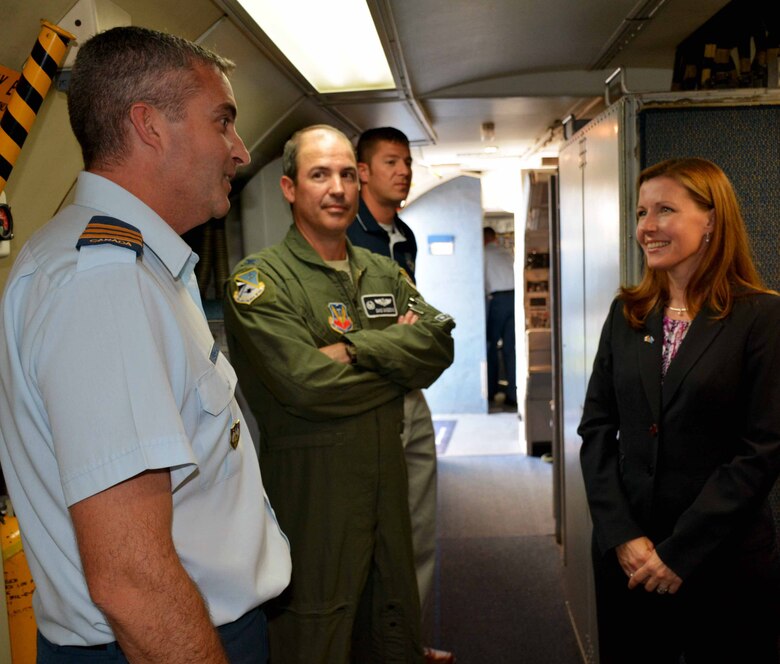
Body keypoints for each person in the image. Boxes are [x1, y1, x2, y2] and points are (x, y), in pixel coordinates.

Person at [0, 26, 291, 664]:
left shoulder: (140, 266)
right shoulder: (101, 288)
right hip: (161, 640)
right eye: (222, 122)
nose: (240, 150)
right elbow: (132, 581)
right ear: (150, 125)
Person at [223, 124, 455, 664]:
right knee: (317, 634)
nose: (338, 188)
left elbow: (438, 344)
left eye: (348, 174)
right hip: (314, 500)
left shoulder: (380, 270)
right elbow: (304, 385)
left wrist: (349, 349)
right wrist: (394, 354)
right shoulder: (259, 281)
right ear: (289, 189)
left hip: (385, 493)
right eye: (319, 174)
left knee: (392, 627)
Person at [578, 158, 780, 664]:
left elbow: (761, 450)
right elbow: (597, 428)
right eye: (642, 211)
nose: (647, 226)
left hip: (722, 557)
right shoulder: (628, 314)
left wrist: (679, 551)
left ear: (711, 220)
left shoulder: (760, 316)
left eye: (665, 209)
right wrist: (620, 534)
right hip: (630, 557)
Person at [347, 128, 444, 651]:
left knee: (421, 527)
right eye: (390, 162)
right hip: (366, 399)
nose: (403, 171)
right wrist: (392, 340)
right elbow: (356, 337)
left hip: (407, 389)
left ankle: (409, 641)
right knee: (373, 535)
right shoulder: (345, 237)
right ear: (362, 171)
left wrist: (403, 341)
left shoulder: (403, 236)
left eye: (407, 162)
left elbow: (422, 328)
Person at [483, 226, 516, 407]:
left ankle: (491, 391)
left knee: (491, 346)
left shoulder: (483, 254)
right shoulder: (506, 252)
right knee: (510, 349)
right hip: (514, 299)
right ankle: (513, 395)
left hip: (497, 301)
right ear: (494, 238)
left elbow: (482, 280)